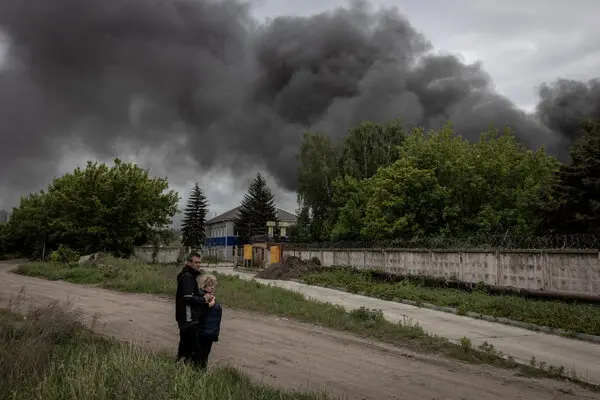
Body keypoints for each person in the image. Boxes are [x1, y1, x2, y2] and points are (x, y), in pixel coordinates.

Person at [175, 252, 213, 367]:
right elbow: (187, 298)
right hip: (189, 318)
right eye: (196, 262)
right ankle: (196, 372)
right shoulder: (187, 277)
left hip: (187, 317)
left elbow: (191, 296)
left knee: (185, 347)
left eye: (199, 262)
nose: (198, 264)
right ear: (188, 263)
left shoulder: (189, 275)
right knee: (194, 349)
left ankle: (180, 366)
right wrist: (204, 299)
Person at [196, 274, 222, 369]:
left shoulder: (211, 297)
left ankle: (201, 376)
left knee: (204, 357)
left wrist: (215, 334)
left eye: (213, 285)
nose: (212, 287)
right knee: (199, 358)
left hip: (209, 334)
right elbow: (197, 313)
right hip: (201, 333)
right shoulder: (200, 297)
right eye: (209, 285)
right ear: (203, 285)